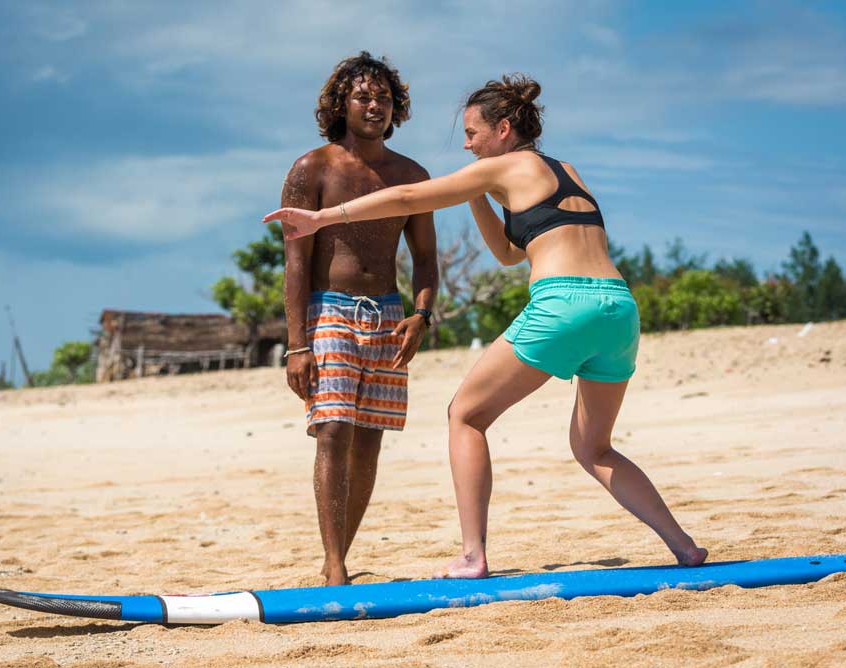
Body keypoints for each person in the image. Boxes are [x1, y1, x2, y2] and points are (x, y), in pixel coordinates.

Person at [265, 74, 707, 579]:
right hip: (619, 309)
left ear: (502, 129)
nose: (467, 143)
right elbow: (508, 253)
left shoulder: (505, 165)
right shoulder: (564, 169)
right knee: (594, 447)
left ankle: (473, 554)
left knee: (465, 416)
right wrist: (474, 193)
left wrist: (326, 218)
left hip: (562, 303)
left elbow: (409, 197)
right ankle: (684, 546)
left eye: (473, 133)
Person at [278, 52, 439, 586]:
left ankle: (337, 558)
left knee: (369, 437)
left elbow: (425, 260)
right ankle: (335, 565)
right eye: (364, 97)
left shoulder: (411, 176)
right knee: (332, 431)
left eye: (385, 99)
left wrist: (421, 314)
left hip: (390, 316)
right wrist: (296, 345)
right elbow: (296, 267)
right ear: (341, 105)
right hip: (331, 312)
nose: (375, 106)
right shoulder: (312, 169)